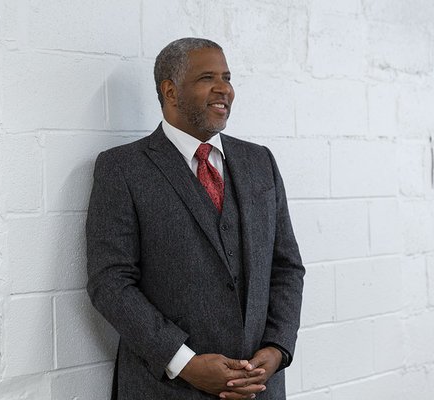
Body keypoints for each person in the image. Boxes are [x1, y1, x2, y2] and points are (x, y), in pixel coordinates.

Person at [86, 37, 305, 400]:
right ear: (170, 91)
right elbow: (109, 282)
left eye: (228, 77)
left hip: (259, 387)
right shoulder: (122, 168)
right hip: (166, 389)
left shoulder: (259, 162)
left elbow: (286, 267)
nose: (225, 89)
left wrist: (277, 349)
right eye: (207, 78)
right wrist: (184, 362)